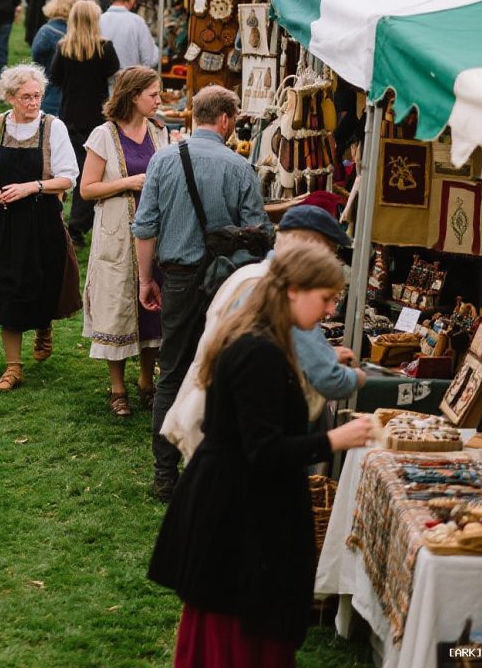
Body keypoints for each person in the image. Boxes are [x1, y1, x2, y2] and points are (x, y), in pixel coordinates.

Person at [148, 246, 373, 666]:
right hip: (236, 515)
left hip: (239, 504)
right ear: (292, 291)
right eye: (325, 298)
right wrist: (334, 440)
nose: (329, 311)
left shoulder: (269, 340)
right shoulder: (259, 352)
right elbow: (264, 450)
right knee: (236, 637)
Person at [133, 84, 271, 503]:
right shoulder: (239, 166)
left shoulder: (163, 159)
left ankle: (164, 473)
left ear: (195, 116)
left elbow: (144, 227)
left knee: (172, 373)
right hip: (225, 285)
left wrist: (145, 280)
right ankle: (213, 469)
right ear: (226, 120)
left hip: (176, 279)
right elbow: (259, 234)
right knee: (222, 372)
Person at [163, 202, 366, 462]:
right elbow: (265, 451)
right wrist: (361, 380)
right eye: (331, 252)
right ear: (309, 251)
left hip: (210, 426)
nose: (329, 309)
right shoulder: (278, 305)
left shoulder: (250, 274)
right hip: (233, 459)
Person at [0, 64, 79, 392]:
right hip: (2, 220)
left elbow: (69, 175)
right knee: (5, 289)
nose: (33, 103)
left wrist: (32, 187)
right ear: (11, 97)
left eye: (37, 96)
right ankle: (13, 367)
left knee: (42, 282)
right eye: (26, 97)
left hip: (41, 219)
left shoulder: (52, 128)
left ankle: (43, 325)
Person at [80, 68, 167, 417]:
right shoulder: (103, 135)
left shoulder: (161, 132)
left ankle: (147, 381)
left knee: (152, 310)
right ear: (133, 96)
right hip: (117, 234)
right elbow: (87, 189)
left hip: (154, 237)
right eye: (154, 95)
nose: (159, 101)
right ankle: (117, 388)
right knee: (116, 306)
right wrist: (129, 183)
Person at [48, 1, 120, 247]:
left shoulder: (64, 48)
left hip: (69, 116)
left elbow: (55, 78)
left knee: (70, 170)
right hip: (96, 117)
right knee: (93, 172)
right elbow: (114, 77)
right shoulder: (104, 48)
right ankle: (78, 225)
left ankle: (66, 221)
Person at [29, 0, 80, 116]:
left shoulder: (45, 32)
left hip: (47, 96)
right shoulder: (74, 35)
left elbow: (36, 61)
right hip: (65, 98)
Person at [99, 0, 159, 69]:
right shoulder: (137, 22)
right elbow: (151, 59)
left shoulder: (98, 20)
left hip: (103, 81)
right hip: (130, 81)